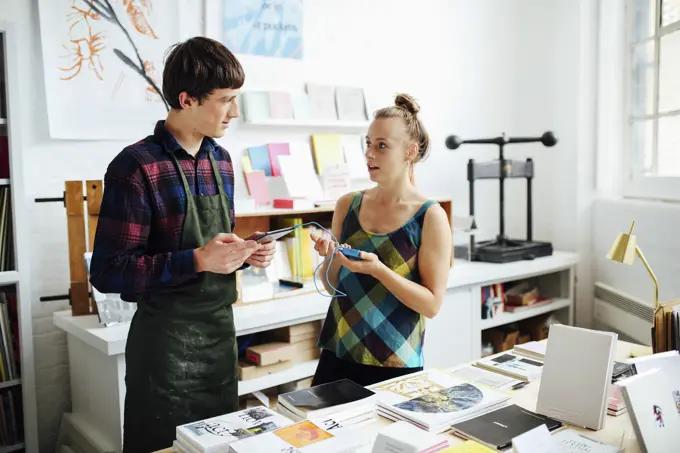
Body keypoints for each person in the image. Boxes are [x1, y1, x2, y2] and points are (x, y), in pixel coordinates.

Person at [88, 37, 276, 452]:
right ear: (186, 99)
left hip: (220, 341)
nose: (236, 111)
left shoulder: (222, 160)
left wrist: (244, 254)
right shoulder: (135, 167)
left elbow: (214, 254)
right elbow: (108, 272)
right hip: (164, 352)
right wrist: (197, 259)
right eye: (225, 100)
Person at [310, 93, 453, 387]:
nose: (369, 154)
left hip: (395, 363)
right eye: (368, 144)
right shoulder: (347, 205)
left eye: (382, 146)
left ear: (410, 152)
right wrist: (330, 258)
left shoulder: (430, 216)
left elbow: (432, 305)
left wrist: (379, 271)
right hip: (338, 354)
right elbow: (329, 284)